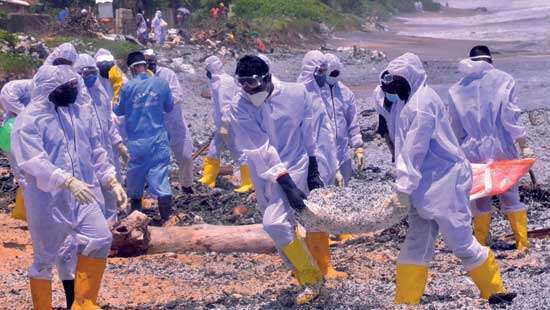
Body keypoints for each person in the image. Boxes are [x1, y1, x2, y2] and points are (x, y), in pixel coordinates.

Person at [382, 53, 516, 305]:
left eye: (397, 82)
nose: (393, 88)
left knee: (460, 240)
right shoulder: (409, 101)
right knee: (417, 241)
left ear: (410, 77)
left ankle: (494, 290)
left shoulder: (422, 104)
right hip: (423, 184)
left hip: (445, 183)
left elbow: (414, 149)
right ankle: (405, 300)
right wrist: (407, 186)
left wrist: (403, 186)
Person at [11, 65, 126, 309]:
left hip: (81, 195)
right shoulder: (28, 121)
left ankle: (83, 304)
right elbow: (33, 161)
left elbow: (94, 150)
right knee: (45, 259)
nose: (73, 91)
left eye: (75, 86)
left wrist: (110, 178)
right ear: (49, 89)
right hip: (47, 200)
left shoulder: (74, 114)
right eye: (68, 87)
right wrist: (66, 180)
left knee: (101, 238)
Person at [227, 55, 325, 305]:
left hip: (297, 164)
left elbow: (308, 130)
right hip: (266, 173)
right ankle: (304, 274)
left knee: (274, 223)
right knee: (281, 229)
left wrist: (313, 168)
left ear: (268, 77)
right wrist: (286, 185)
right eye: (243, 84)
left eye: (253, 83)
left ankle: (311, 278)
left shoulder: (296, 93)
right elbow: (261, 148)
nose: (249, 90)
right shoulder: (239, 105)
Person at [447, 45, 533, 253]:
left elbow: (455, 126)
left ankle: (481, 243)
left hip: (471, 148)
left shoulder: (457, 88)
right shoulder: (504, 80)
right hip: (500, 145)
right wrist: (523, 144)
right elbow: (510, 116)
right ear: (490, 61)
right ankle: (522, 243)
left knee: (479, 196)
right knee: (510, 193)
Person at [296, 50, 349, 280]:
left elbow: (327, 134)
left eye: (323, 72)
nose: (321, 75)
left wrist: (335, 166)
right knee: (314, 217)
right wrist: (313, 167)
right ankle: (321, 267)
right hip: (311, 166)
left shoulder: (318, 94)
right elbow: (307, 138)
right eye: (317, 71)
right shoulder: (300, 95)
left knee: (317, 216)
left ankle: (315, 265)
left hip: (324, 164)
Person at [114, 51, 174, 221]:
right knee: (161, 177)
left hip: (137, 143)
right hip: (158, 140)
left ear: (131, 69)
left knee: (135, 179)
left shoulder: (128, 87)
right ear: (145, 65)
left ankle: (135, 219)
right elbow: (169, 107)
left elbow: (118, 111)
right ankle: (166, 221)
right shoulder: (162, 83)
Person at [75, 53, 130, 223]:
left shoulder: (101, 95)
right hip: (87, 155)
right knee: (95, 195)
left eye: (93, 71)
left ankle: (113, 229)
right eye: (86, 72)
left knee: (112, 190)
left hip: (106, 151)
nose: (90, 76)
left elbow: (109, 124)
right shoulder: (76, 99)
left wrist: (119, 143)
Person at [200, 55, 253, 193]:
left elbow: (226, 106)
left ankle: (249, 182)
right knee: (214, 148)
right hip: (222, 124)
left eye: (207, 69)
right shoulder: (217, 81)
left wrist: (224, 128)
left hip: (228, 123)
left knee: (238, 150)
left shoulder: (224, 82)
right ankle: (208, 178)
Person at [143, 49, 194, 193]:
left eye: (151, 60)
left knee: (186, 156)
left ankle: (186, 185)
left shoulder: (167, 74)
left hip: (175, 123)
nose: (149, 64)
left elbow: (177, 95)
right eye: (146, 61)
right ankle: (159, 191)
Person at [320, 53, 364, 184]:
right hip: (323, 153)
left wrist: (358, 147)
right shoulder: (316, 91)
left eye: (336, 73)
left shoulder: (346, 93)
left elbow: (352, 122)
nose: (334, 76)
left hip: (343, 152)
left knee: (343, 191)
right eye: (331, 73)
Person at [0, 79, 33, 221]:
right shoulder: (19, 122)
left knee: (23, 178)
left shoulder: (8, 120)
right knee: (26, 178)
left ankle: (29, 213)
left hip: (9, 140)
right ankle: (32, 214)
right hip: (14, 141)